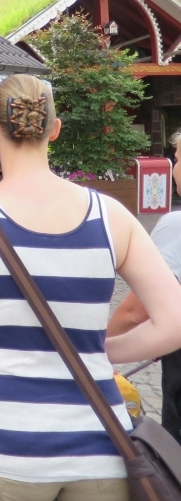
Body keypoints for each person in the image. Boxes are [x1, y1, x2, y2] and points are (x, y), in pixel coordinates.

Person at [0, 74, 181, 501]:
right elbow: (173, 322)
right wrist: (98, 350)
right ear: (56, 128)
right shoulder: (112, 216)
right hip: (98, 447)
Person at [108, 126, 181, 445]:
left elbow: (137, 310)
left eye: (177, 158)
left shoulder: (176, 227)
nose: (174, 166)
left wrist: (97, 349)